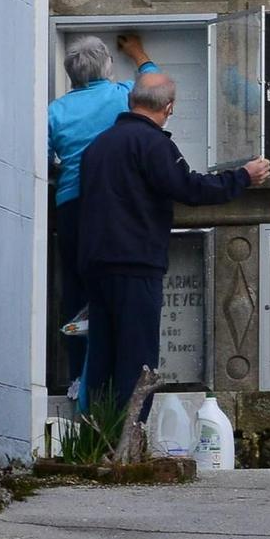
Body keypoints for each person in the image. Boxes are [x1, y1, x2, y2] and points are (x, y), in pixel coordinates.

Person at [78, 72, 269, 414]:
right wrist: (243, 177)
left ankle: (96, 444)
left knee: (102, 360)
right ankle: (129, 447)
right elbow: (189, 188)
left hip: (95, 265)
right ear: (169, 108)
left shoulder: (97, 146)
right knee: (137, 362)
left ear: (130, 101)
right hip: (136, 264)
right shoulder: (153, 144)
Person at [46, 33, 157, 395]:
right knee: (119, 292)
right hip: (115, 206)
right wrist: (139, 54)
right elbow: (156, 89)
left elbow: (46, 161)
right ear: (107, 66)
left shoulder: (55, 111)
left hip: (72, 207)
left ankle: (80, 377)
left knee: (77, 292)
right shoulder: (121, 94)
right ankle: (118, 379)